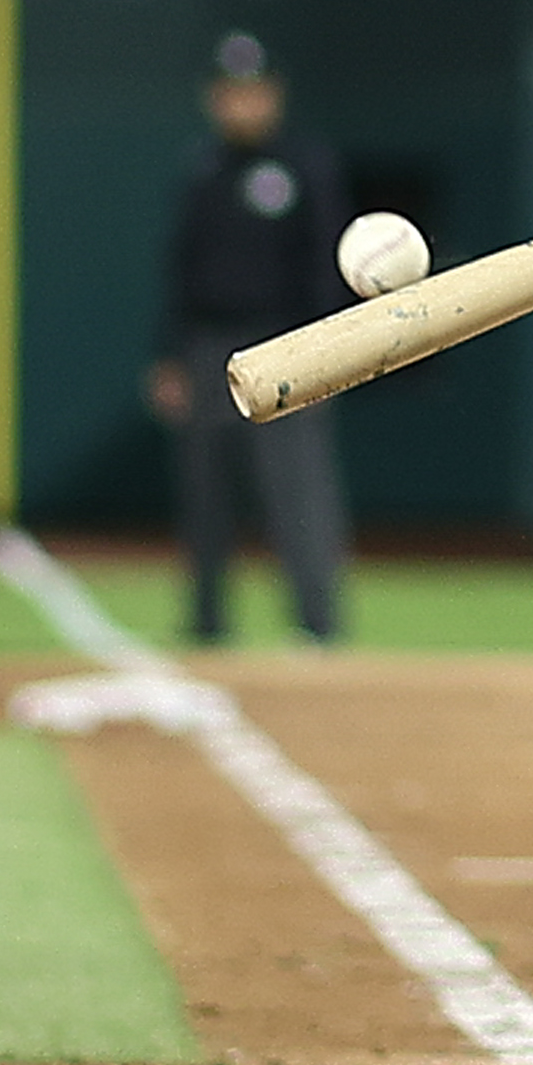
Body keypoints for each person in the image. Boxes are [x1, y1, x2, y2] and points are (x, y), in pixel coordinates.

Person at [147, 32, 350, 646]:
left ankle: (317, 627)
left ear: (274, 94)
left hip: (287, 346)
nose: (242, 104)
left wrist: (327, 356)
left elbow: (324, 265)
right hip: (210, 350)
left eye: (253, 91)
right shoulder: (201, 167)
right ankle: (206, 626)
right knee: (205, 496)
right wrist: (168, 356)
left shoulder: (304, 166)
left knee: (297, 494)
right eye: (231, 92)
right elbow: (178, 268)